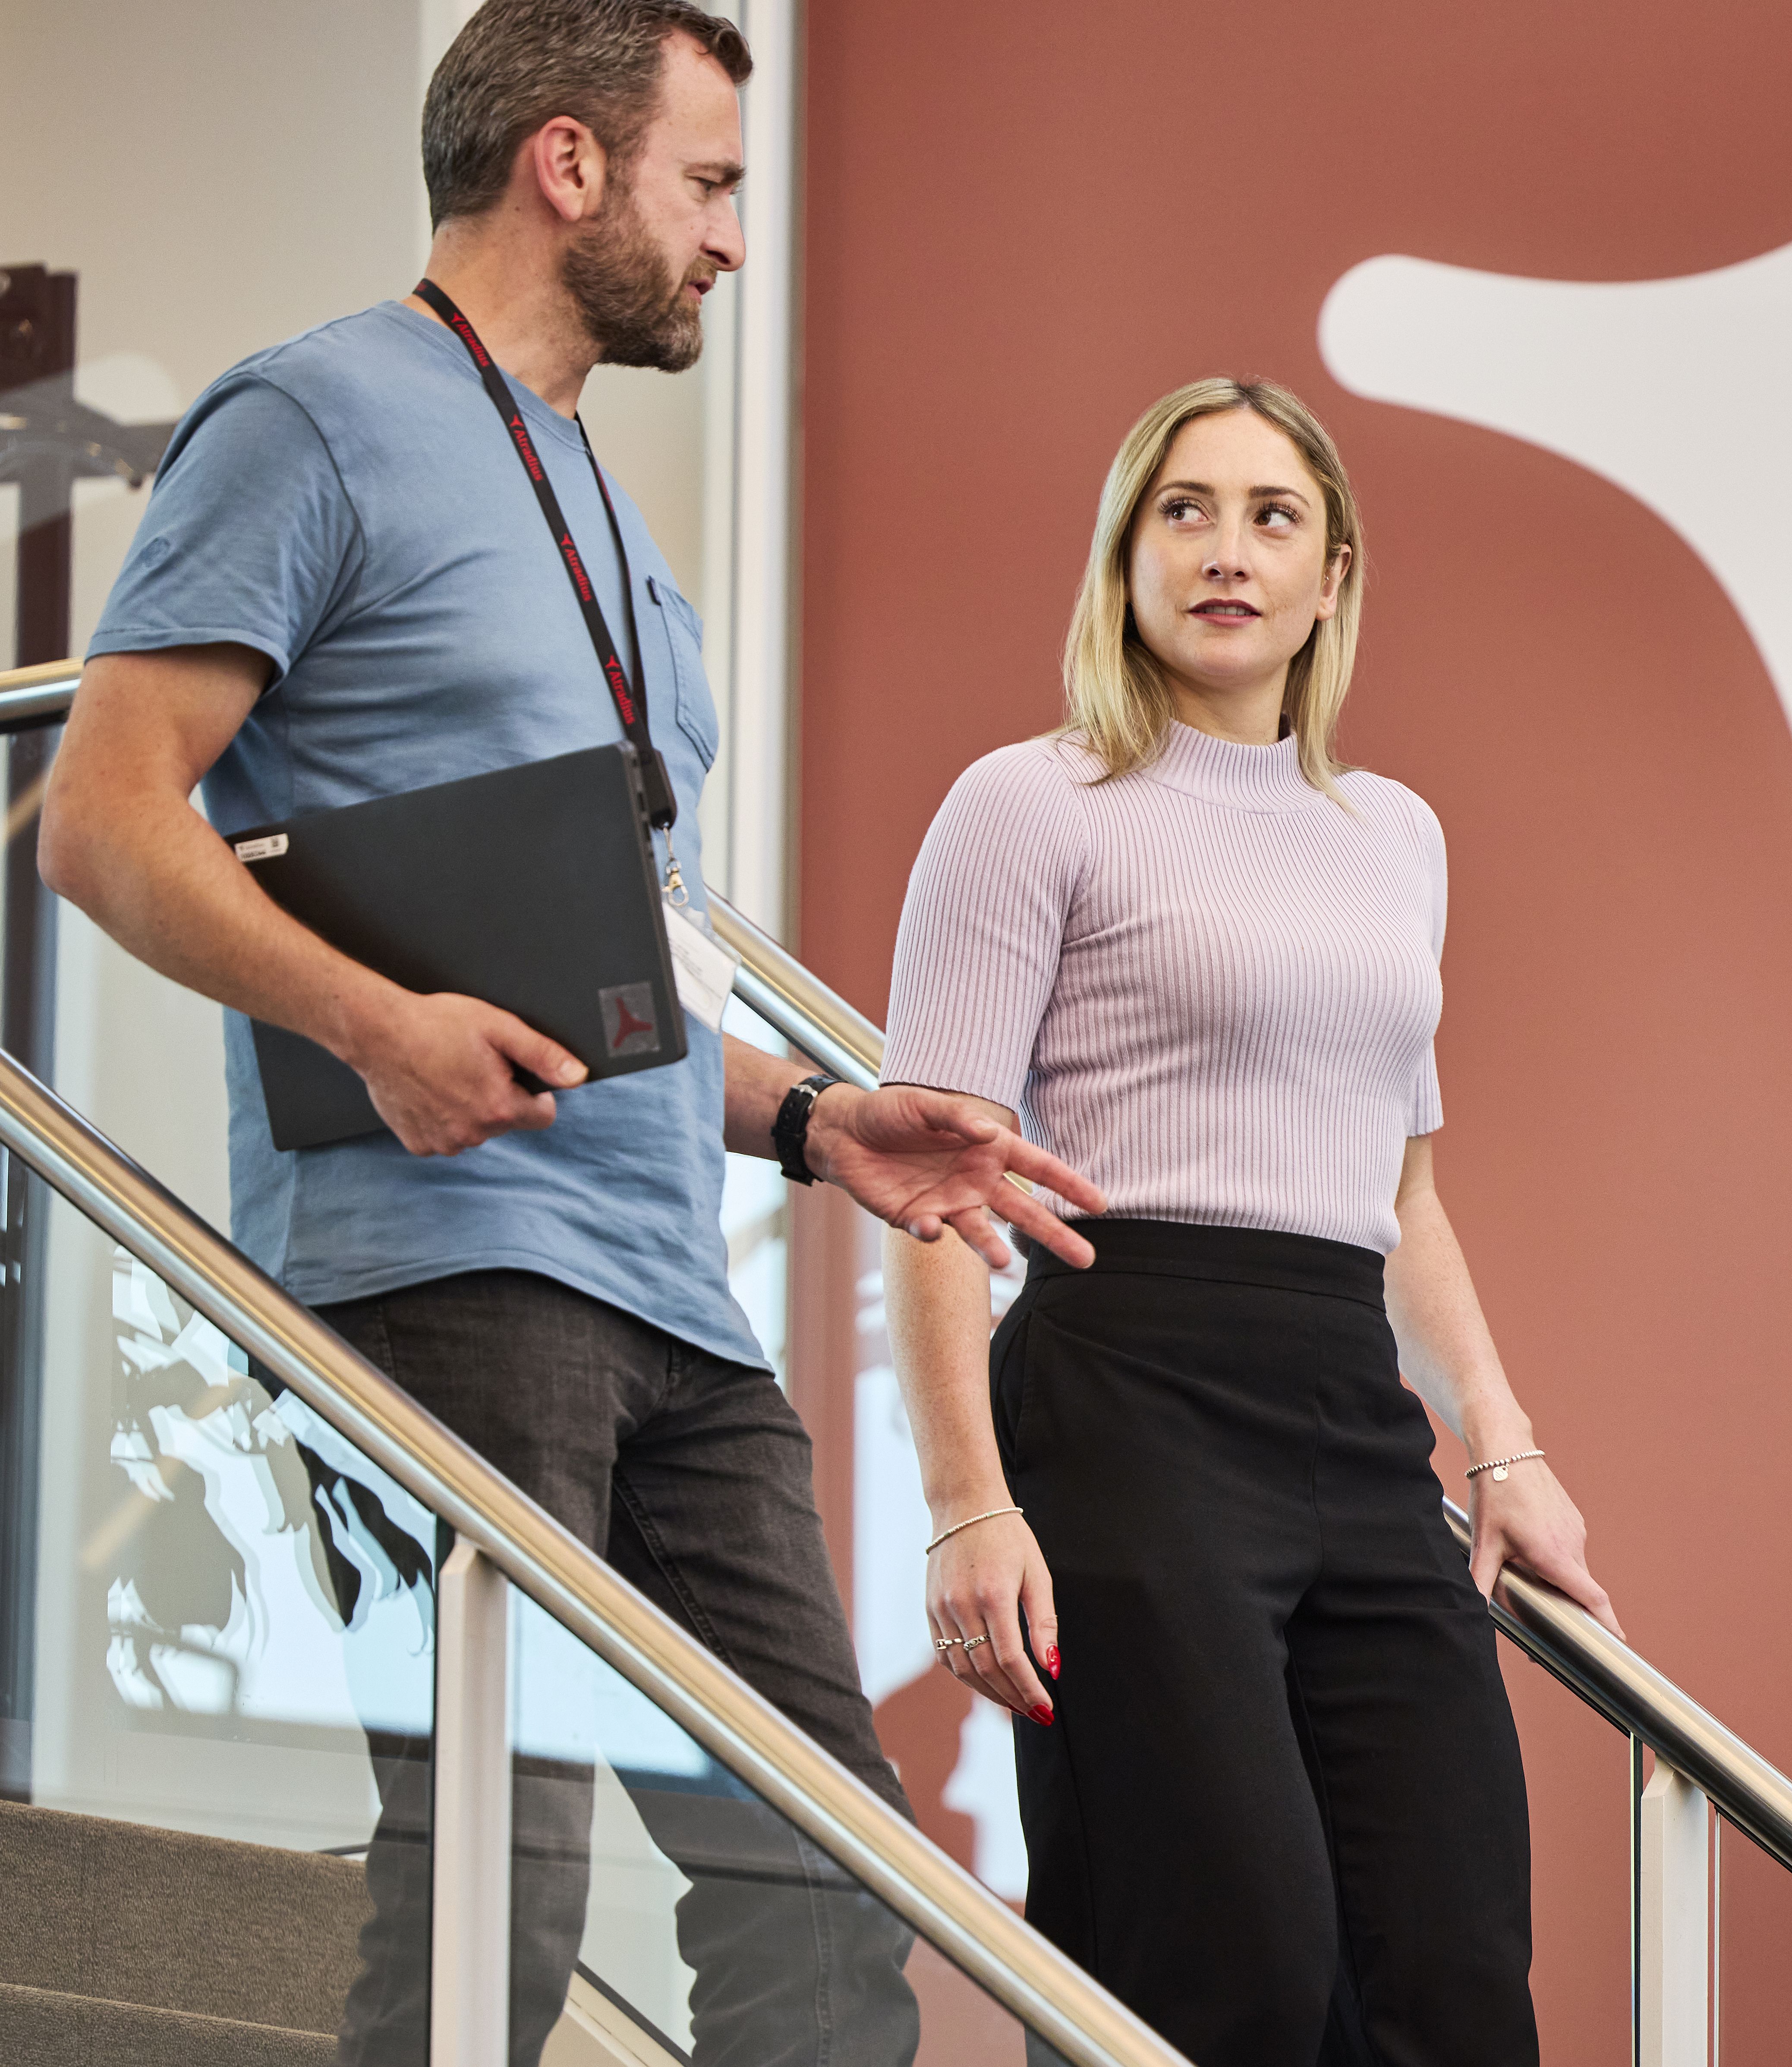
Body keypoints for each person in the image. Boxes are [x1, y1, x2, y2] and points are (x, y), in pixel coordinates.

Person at [40, 3, 1103, 2061]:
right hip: (441, 1277)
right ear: (567, 162)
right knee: (489, 1896)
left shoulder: (609, 522)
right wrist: (373, 1021)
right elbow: (99, 814)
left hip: (675, 1317)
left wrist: (812, 1125)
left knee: (826, 1898)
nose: (727, 241)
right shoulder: (313, 416)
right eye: (708, 185)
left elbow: (601, 994)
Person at [879, 375, 1620, 2067]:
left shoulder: (1395, 835)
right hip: (1119, 1383)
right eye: (1183, 511)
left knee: (1447, 1968)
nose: (1226, 551)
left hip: (1344, 1407)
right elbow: (932, 1191)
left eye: (1271, 517)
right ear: (1123, 557)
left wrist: (1496, 1442)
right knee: (1232, 1969)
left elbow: (1398, 1187)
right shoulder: (1027, 802)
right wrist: (960, 1504)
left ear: (1332, 577)